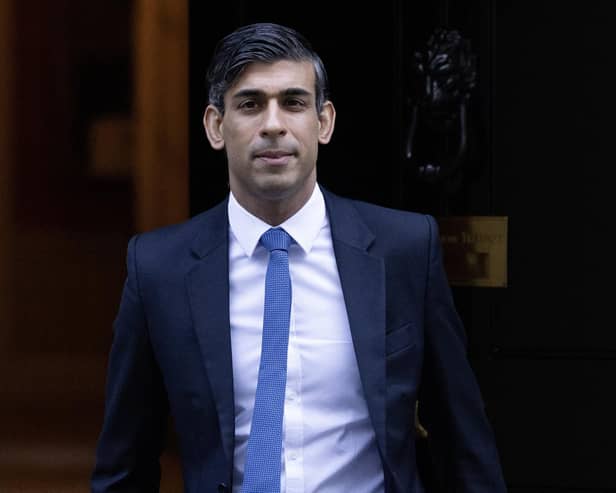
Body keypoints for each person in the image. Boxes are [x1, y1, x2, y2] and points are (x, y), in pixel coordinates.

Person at [91, 22, 507, 493]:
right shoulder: (158, 269)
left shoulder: (405, 249)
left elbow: (463, 445)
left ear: (323, 122)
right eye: (250, 104)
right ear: (215, 126)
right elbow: (125, 464)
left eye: (293, 102)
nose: (273, 124)